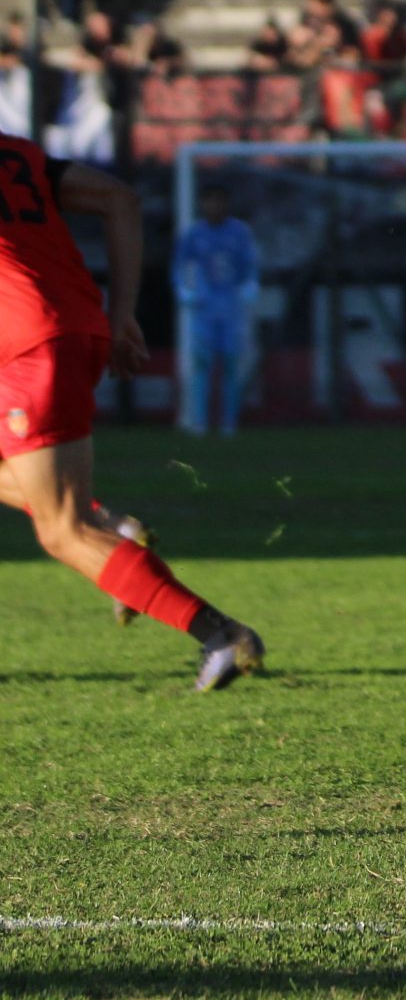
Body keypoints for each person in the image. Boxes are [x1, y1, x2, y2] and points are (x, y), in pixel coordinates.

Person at [0, 134, 267, 688]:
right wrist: (121, 314)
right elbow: (120, 198)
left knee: (62, 531)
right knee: (69, 515)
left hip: (28, 344)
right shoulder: (17, 153)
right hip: (70, 327)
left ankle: (220, 634)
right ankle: (110, 523)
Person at [173, 183, 259, 437]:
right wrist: (183, 289)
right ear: (203, 204)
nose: (214, 206)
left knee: (231, 364)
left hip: (231, 306)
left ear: (227, 204)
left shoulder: (240, 232)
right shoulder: (193, 234)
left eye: (219, 201)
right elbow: (179, 266)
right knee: (202, 364)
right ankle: (199, 421)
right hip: (204, 306)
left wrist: (250, 284)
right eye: (210, 201)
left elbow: (250, 263)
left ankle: (229, 423)